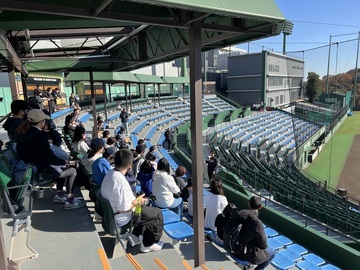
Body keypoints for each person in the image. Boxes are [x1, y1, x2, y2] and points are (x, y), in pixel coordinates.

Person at [16, 109, 85, 210]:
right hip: (39, 170)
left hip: (30, 167)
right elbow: (48, 156)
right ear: (42, 122)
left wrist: (62, 163)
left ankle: (60, 195)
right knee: (72, 170)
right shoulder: (39, 136)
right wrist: (64, 162)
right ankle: (70, 201)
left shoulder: (23, 133)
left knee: (64, 167)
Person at [101, 149, 164, 253]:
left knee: (147, 211)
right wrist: (137, 201)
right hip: (123, 217)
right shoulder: (120, 182)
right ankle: (148, 244)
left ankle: (135, 235)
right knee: (157, 214)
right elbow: (123, 209)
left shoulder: (110, 173)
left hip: (114, 214)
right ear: (130, 164)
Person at [218, 196, 275, 270]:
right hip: (245, 254)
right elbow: (263, 245)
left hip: (231, 246)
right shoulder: (257, 223)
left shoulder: (236, 213)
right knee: (272, 253)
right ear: (260, 207)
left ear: (248, 204)